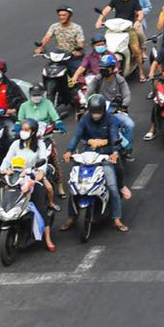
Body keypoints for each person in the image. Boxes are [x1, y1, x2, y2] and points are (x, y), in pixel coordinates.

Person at [61, 96, 130, 232]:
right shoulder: (85, 119)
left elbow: (114, 136)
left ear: (103, 110)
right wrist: (69, 150)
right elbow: (77, 136)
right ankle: (71, 217)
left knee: (112, 186)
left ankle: (116, 218)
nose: (95, 115)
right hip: (88, 155)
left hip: (106, 156)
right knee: (75, 185)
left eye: (98, 111)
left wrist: (114, 153)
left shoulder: (111, 120)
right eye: (93, 112)